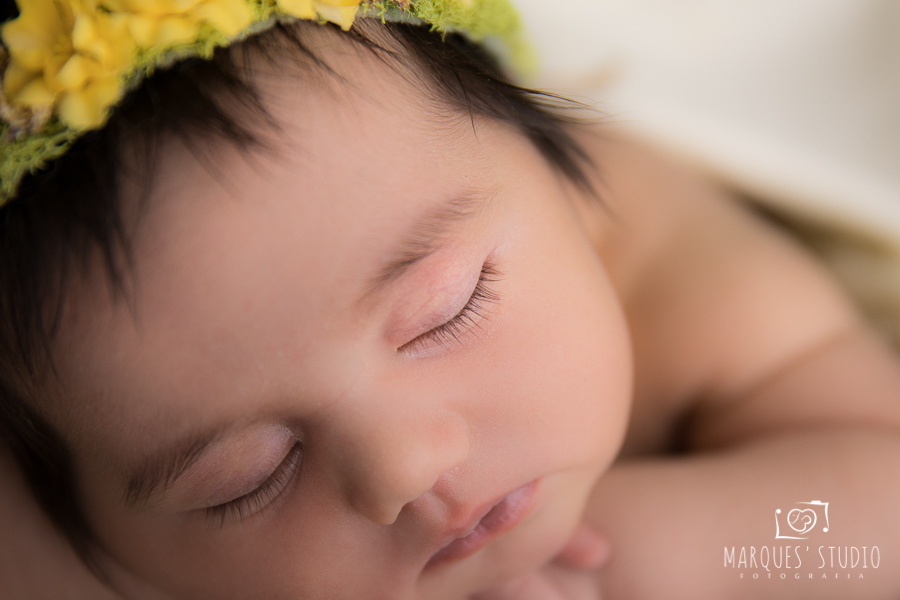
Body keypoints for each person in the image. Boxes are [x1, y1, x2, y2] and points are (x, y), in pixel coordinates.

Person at [0, 1, 898, 598]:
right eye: (249, 477)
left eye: (448, 310)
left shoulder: (661, 261)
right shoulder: (47, 503)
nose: (404, 467)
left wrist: (625, 562)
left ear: (559, 178)